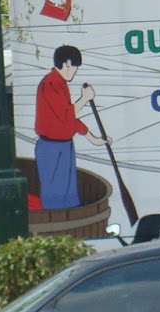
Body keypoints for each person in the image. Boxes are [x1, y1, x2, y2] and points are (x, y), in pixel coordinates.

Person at [33, 45, 108, 210]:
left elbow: (70, 120)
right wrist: (84, 99)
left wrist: (92, 138)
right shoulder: (50, 83)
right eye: (73, 67)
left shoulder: (60, 83)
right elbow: (65, 114)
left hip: (65, 145)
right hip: (51, 147)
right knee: (55, 196)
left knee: (68, 196)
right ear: (66, 64)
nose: (74, 71)